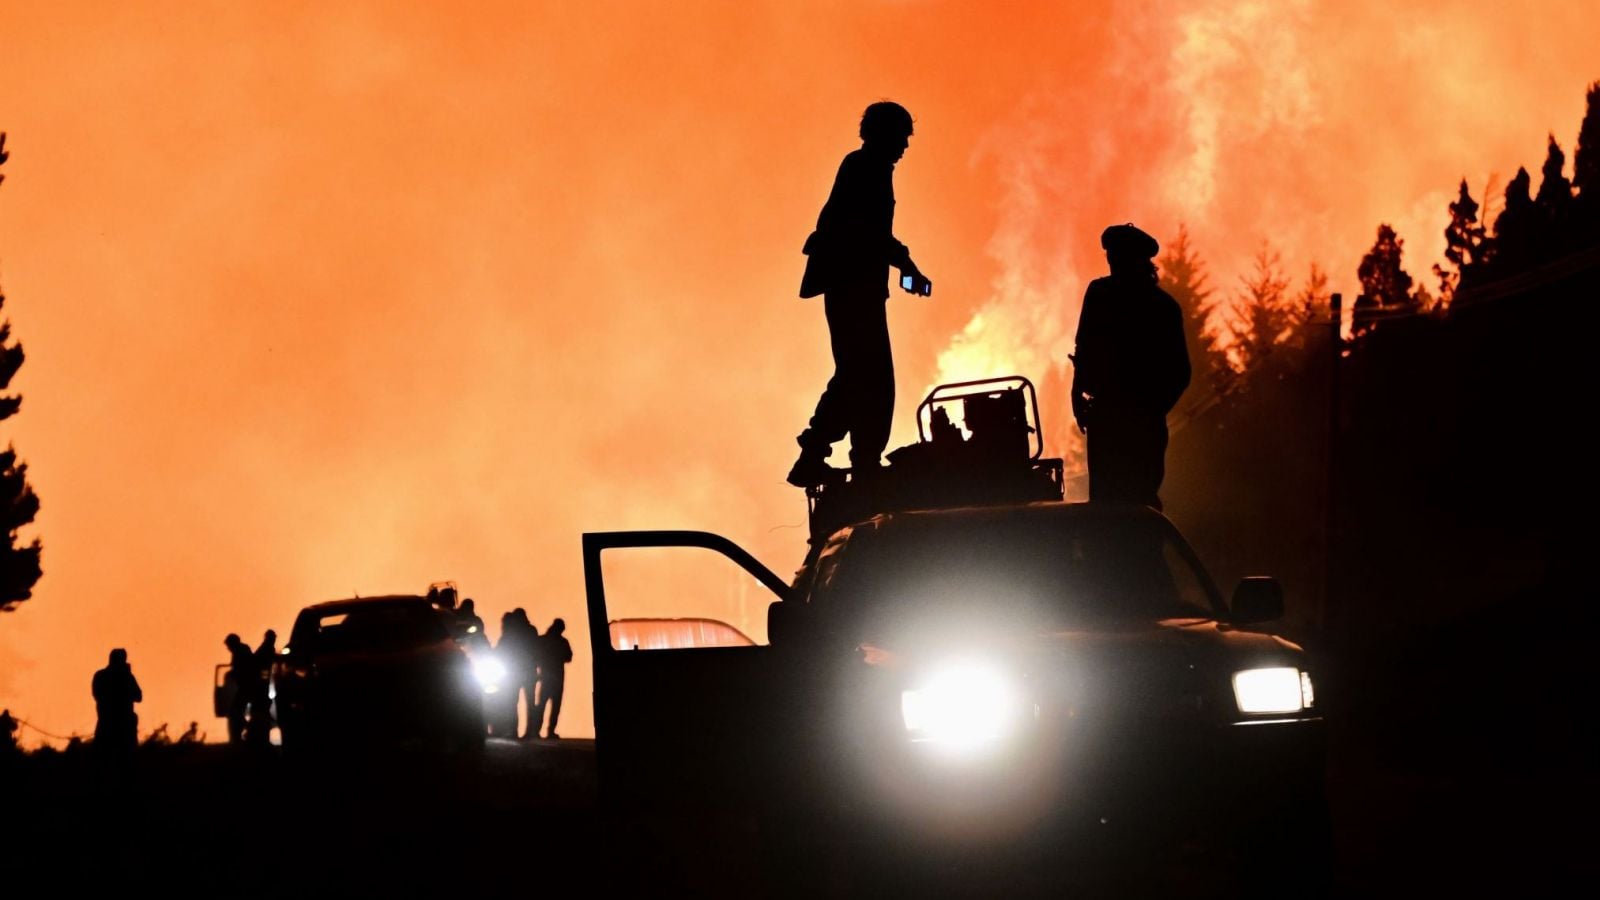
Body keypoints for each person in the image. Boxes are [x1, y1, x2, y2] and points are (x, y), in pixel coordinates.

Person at [788, 100, 933, 487]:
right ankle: (830, 455)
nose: (905, 146)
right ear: (883, 134)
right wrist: (905, 264)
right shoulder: (865, 169)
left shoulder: (868, 168)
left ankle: (842, 456)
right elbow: (868, 232)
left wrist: (902, 263)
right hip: (852, 289)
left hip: (856, 288)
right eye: (901, 137)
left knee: (862, 376)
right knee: (866, 377)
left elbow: (871, 234)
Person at [1070, 223, 1191, 510]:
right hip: (1114, 418)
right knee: (1120, 503)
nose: (1112, 262)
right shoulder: (1156, 304)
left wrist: (1149, 410)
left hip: (1121, 420)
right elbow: (1084, 349)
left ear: (1136, 260)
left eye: (1117, 256)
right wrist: (1078, 393)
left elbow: (1179, 371)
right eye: (1111, 256)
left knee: (1126, 503)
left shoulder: (1156, 307)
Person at [91, 649, 142, 753]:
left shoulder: (100, 675)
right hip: (119, 725)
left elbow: (138, 696)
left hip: (108, 723)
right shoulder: (126, 677)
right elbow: (137, 696)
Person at [533, 619, 572, 739]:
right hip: (556, 678)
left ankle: (537, 730)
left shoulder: (543, 640)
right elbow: (568, 657)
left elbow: (535, 656)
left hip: (546, 677)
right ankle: (549, 731)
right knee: (554, 706)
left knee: (542, 705)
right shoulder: (562, 641)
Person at [223, 633, 254, 744]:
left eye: (228, 645)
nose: (228, 648)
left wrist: (231, 674)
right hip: (245, 686)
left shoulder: (240, 651)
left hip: (247, 687)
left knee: (235, 712)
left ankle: (249, 729)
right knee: (237, 711)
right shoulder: (241, 650)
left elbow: (241, 669)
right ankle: (246, 730)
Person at [249, 630, 278, 745]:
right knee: (261, 710)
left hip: (261, 684)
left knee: (262, 709)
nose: (274, 639)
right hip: (260, 685)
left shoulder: (266, 648)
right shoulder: (266, 649)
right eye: (273, 637)